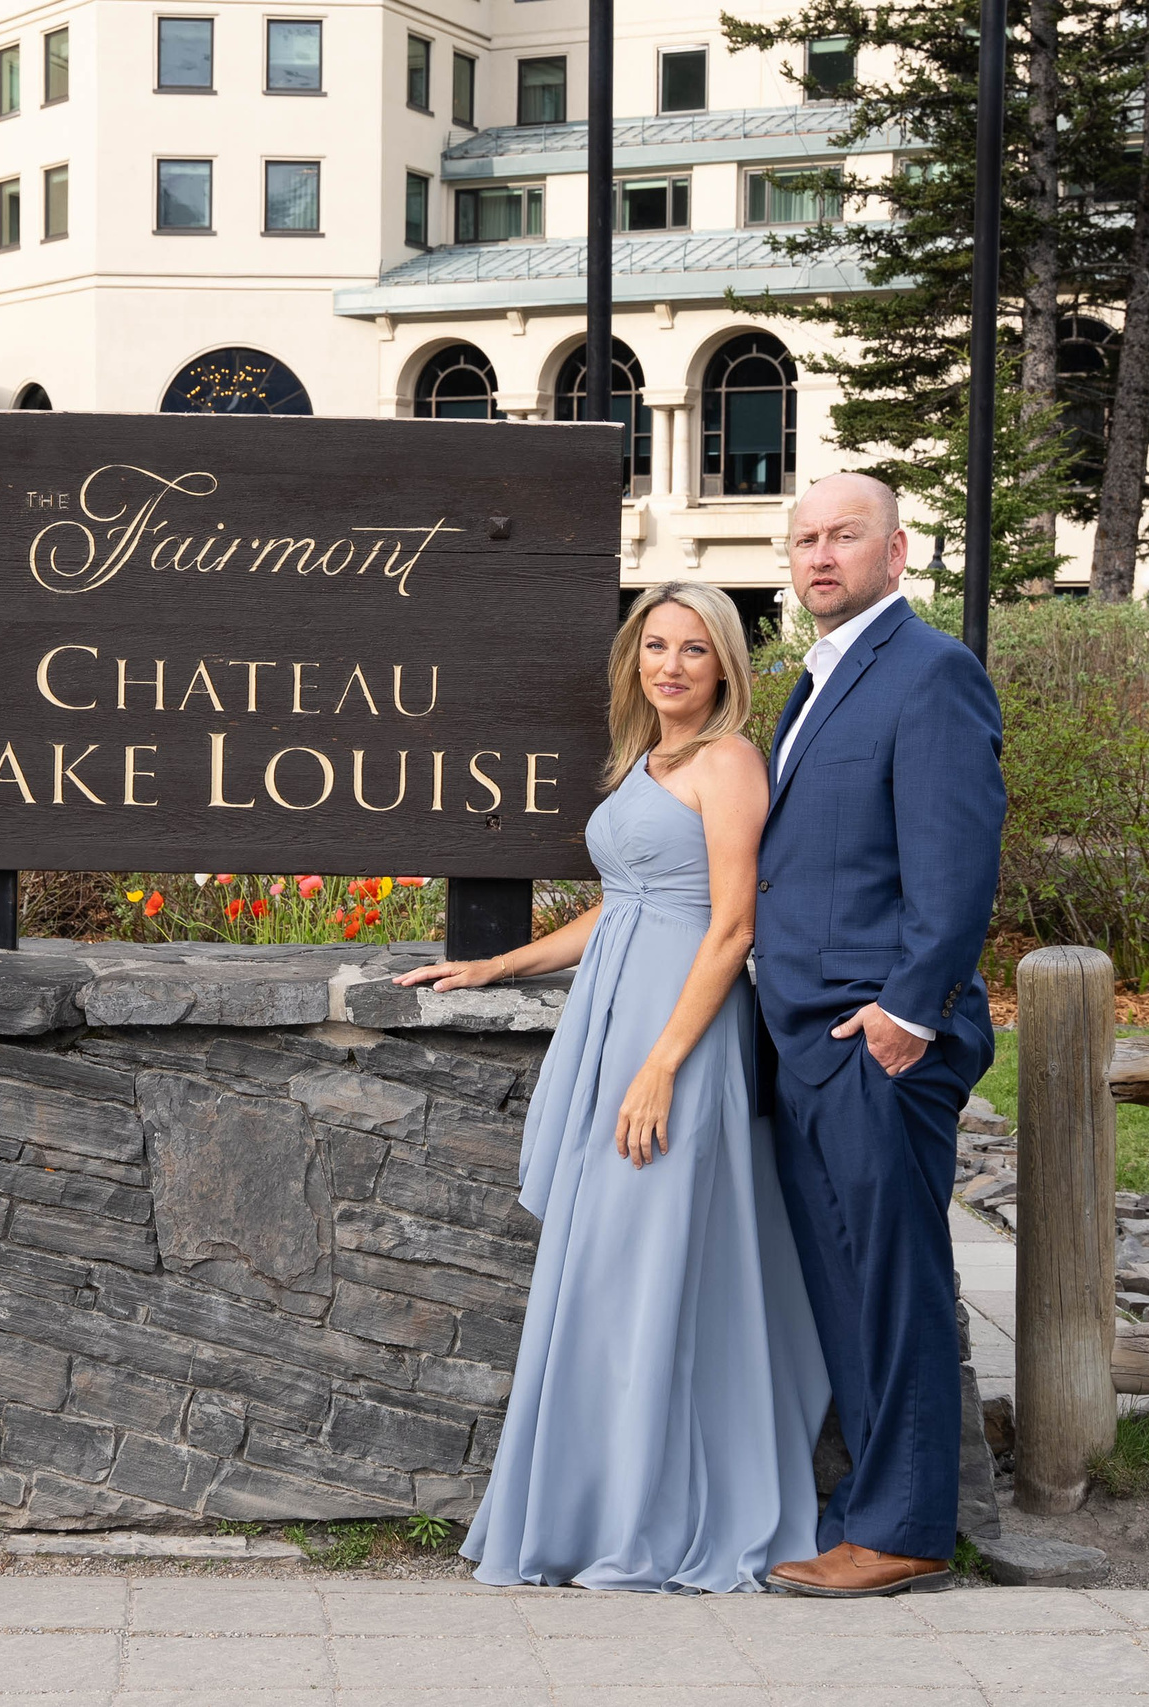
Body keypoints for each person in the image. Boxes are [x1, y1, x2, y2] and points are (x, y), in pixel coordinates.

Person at [396, 581, 830, 1593]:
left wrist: (662, 1064)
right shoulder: (649, 761)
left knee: (652, 1266)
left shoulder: (728, 763)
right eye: (654, 647)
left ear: (725, 664)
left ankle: (649, 1514)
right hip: (614, 1019)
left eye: (692, 650)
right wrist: (495, 967)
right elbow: (621, 908)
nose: (670, 666)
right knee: (605, 1269)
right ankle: (589, 1503)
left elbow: (729, 925)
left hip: (675, 1035)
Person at [754, 473, 1005, 1598]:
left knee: (892, 1285)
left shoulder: (931, 671)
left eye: (844, 536)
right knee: (845, 1286)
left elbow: (955, 865)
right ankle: (864, 1514)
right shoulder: (812, 684)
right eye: (803, 538)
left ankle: (903, 1529)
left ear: (895, 552)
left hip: (876, 1044)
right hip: (805, 1040)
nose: (820, 555)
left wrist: (906, 1018)